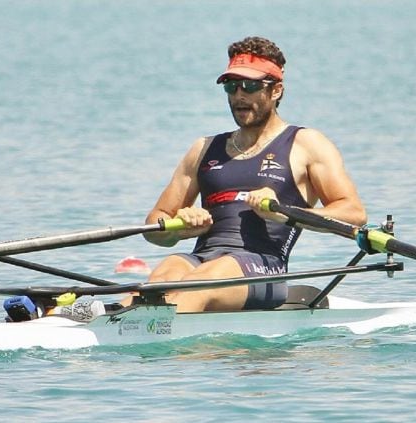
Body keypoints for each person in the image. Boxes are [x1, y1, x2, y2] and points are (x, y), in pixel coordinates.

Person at [139, 36, 366, 312]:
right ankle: (112, 319)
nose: (239, 96)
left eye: (250, 86)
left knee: (203, 281)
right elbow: (154, 225)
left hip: (263, 266)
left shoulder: (307, 144)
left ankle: (158, 340)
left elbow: (354, 213)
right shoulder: (204, 148)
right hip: (202, 259)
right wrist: (179, 227)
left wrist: (285, 212)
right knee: (162, 275)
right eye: (231, 87)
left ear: (276, 90)